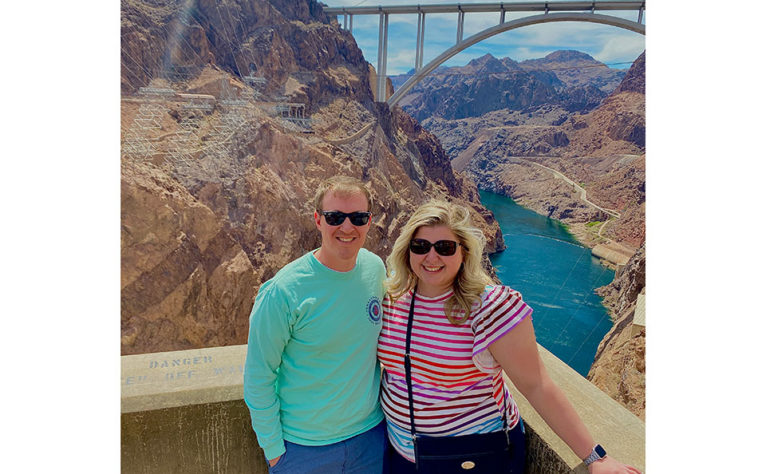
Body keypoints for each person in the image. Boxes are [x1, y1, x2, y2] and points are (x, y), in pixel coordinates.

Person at [378, 200, 641, 474]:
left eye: (444, 247)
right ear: (407, 250)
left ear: (464, 252)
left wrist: (595, 458)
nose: (431, 257)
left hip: (470, 456)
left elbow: (537, 385)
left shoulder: (491, 307)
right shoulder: (393, 299)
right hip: (400, 453)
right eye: (420, 246)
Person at [243, 176, 387, 473]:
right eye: (335, 217)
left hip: (370, 440)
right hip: (304, 451)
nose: (347, 227)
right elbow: (259, 375)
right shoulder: (283, 291)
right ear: (318, 220)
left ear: (369, 222)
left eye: (358, 218)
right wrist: (274, 451)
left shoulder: (375, 269)